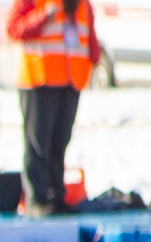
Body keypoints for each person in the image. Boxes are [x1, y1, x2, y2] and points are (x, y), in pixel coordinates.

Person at [7, 0, 100, 215]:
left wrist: (93, 57)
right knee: (38, 142)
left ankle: (56, 196)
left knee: (60, 142)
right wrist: (43, 16)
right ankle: (37, 199)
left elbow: (90, 36)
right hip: (40, 79)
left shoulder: (82, 3)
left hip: (71, 81)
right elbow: (13, 29)